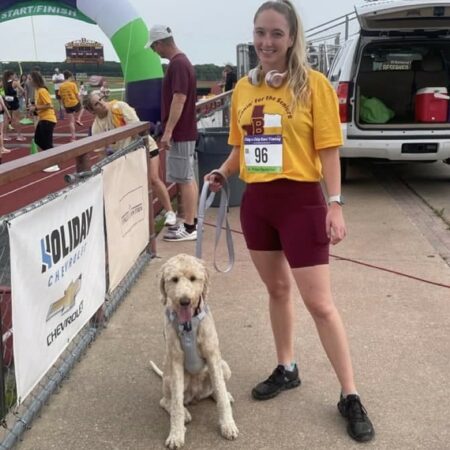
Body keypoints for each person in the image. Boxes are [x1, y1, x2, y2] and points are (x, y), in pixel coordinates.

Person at [205, 0, 374, 443]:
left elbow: (328, 151)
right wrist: (223, 171)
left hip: (301, 201)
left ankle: (350, 393)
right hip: (258, 202)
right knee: (276, 290)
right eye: (260, 32)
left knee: (320, 304)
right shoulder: (244, 88)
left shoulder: (313, 85)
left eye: (277, 33)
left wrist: (334, 204)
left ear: (293, 37)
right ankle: (287, 366)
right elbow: (242, 149)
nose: (267, 41)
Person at [84, 93, 176, 225]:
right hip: (126, 156)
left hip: (145, 147)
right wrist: (107, 169)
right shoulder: (96, 127)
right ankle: (139, 217)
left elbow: (137, 129)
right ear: (91, 110)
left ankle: (169, 212)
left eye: (101, 99)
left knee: (153, 179)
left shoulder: (119, 107)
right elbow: (101, 154)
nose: (102, 103)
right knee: (132, 187)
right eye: (96, 104)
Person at [146, 24, 198, 241]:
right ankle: (191, 222)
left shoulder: (177, 64)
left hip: (182, 131)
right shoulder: (182, 62)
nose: (154, 51)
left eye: (153, 47)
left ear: (160, 43)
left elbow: (179, 98)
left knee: (184, 178)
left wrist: (168, 132)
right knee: (188, 177)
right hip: (185, 130)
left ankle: (189, 226)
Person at [29, 71, 59, 173]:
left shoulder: (42, 91)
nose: (29, 81)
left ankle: (53, 163)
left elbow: (49, 105)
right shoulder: (37, 91)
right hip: (43, 118)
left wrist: (35, 107)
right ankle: (49, 160)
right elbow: (42, 107)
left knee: (47, 142)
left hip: (48, 119)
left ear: (35, 80)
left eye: (30, 79)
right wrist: (34, 110)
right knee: (38, 140)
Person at [2, 70, 25, 141]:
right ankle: (19, 136)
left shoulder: (3, 83)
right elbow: (23, 90)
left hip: (6, 102)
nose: (14, 76)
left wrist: (4, 96)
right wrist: (18, 94)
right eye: (13, 75)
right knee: (16, 119)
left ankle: (5, 136)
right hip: (14, 102)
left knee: (5, 120)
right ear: (10, 76)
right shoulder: (15, 82)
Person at [59, 70, 82, 141]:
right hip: (74, 103)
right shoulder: (73, 84)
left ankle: (73, 137)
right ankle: (78, 119)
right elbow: (77, 95)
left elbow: (62, 97)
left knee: (71, 121)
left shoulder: (61, 86)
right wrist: (80, 101)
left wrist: (63, 105)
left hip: (67, 105)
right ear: (69, 77)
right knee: (83, 107)